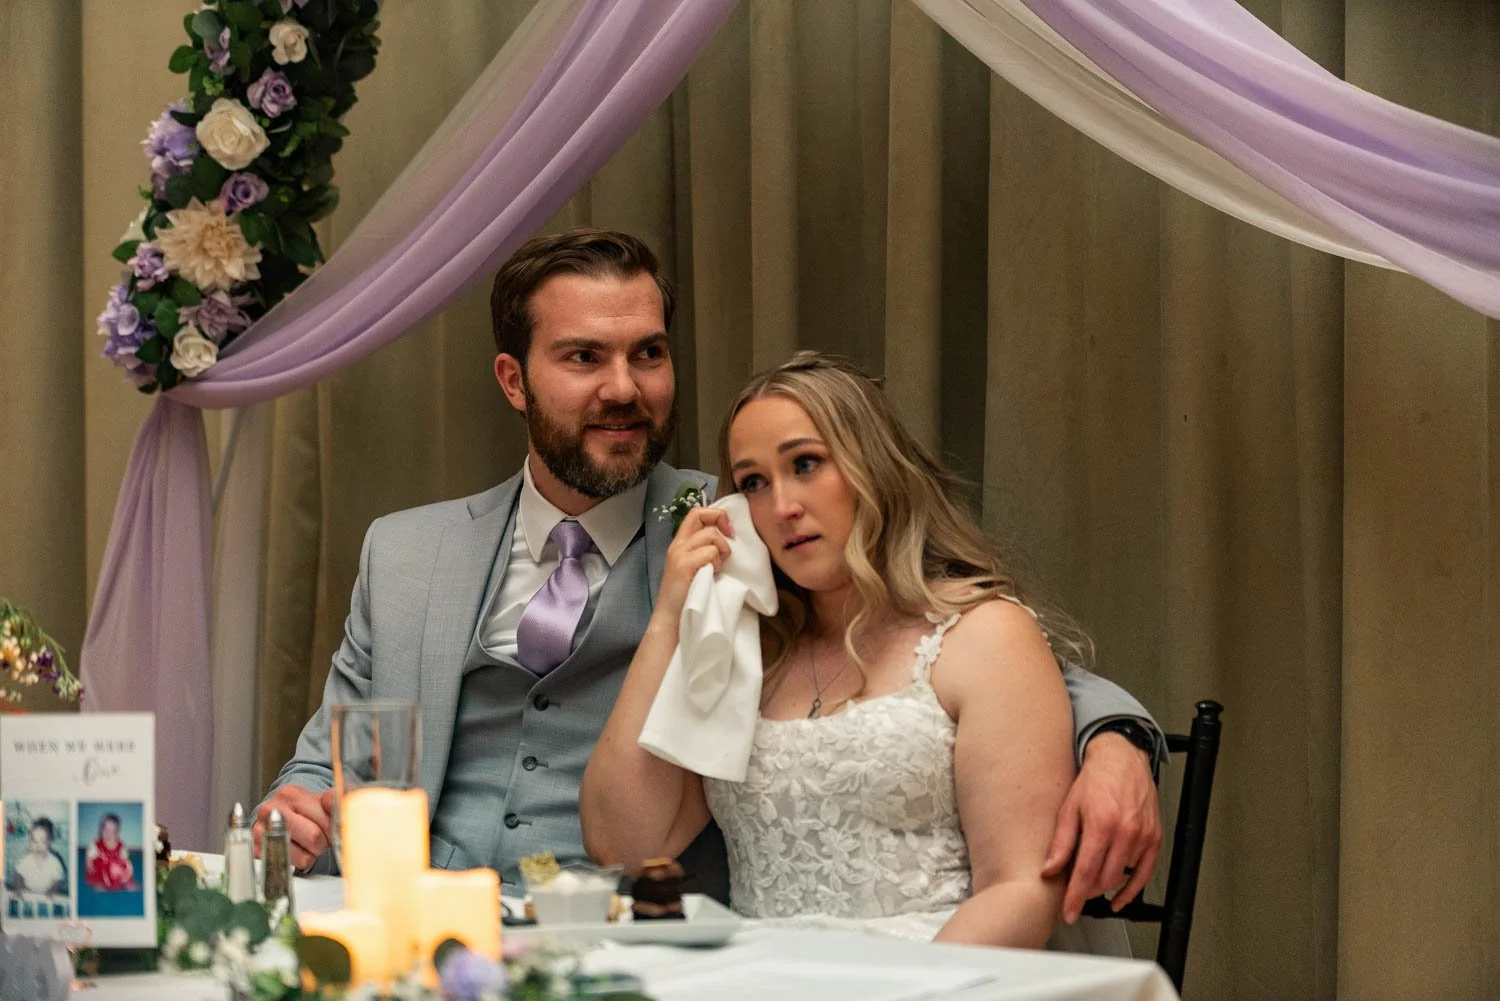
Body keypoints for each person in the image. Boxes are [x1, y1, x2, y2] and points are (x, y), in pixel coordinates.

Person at [258, 229, 1164, 919]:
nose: (625, 388)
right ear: (513, 379)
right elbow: (327, 756)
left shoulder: (741, 518)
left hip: (628, 933)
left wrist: (1116, 737)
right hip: (412, 928)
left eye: (648, 353)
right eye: (584, 357)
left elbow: (942, 627)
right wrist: (286, 814)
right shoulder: (406, 553)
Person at [582, 352, 1121, 947]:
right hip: (761, 975)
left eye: (806, 464)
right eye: (753, 483)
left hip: (937, 975)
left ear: (873, 467)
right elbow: (621, 844)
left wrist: (907, 988)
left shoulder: (986, 636)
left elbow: (1020, 890)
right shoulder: (746, 655)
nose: (782, 507)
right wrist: (669, 617)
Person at [8, 817, 67, 901]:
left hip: (46, 896)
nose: (38, 846)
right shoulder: (26, 860)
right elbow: (17, 874)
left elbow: (58, 879)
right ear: (29, 841)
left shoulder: (55, 862)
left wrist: (52, 889)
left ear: (49, 842)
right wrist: (18, 887)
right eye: (34, 841)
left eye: (43, 841)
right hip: (27, 894)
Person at [84, 813, 137, 892]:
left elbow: (126, 862)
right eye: (106, 829)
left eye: (112, 831)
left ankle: (125, 884)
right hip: (99, 871)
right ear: (101, 830)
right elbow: (89, 858)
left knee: (127, 881)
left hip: (114, 871)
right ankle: (99, 885)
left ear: (117, 833)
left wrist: (126, 873)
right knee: (98, 885)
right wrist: (90, 866)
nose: (108, 833)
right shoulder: (96, 844)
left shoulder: (121, 846)